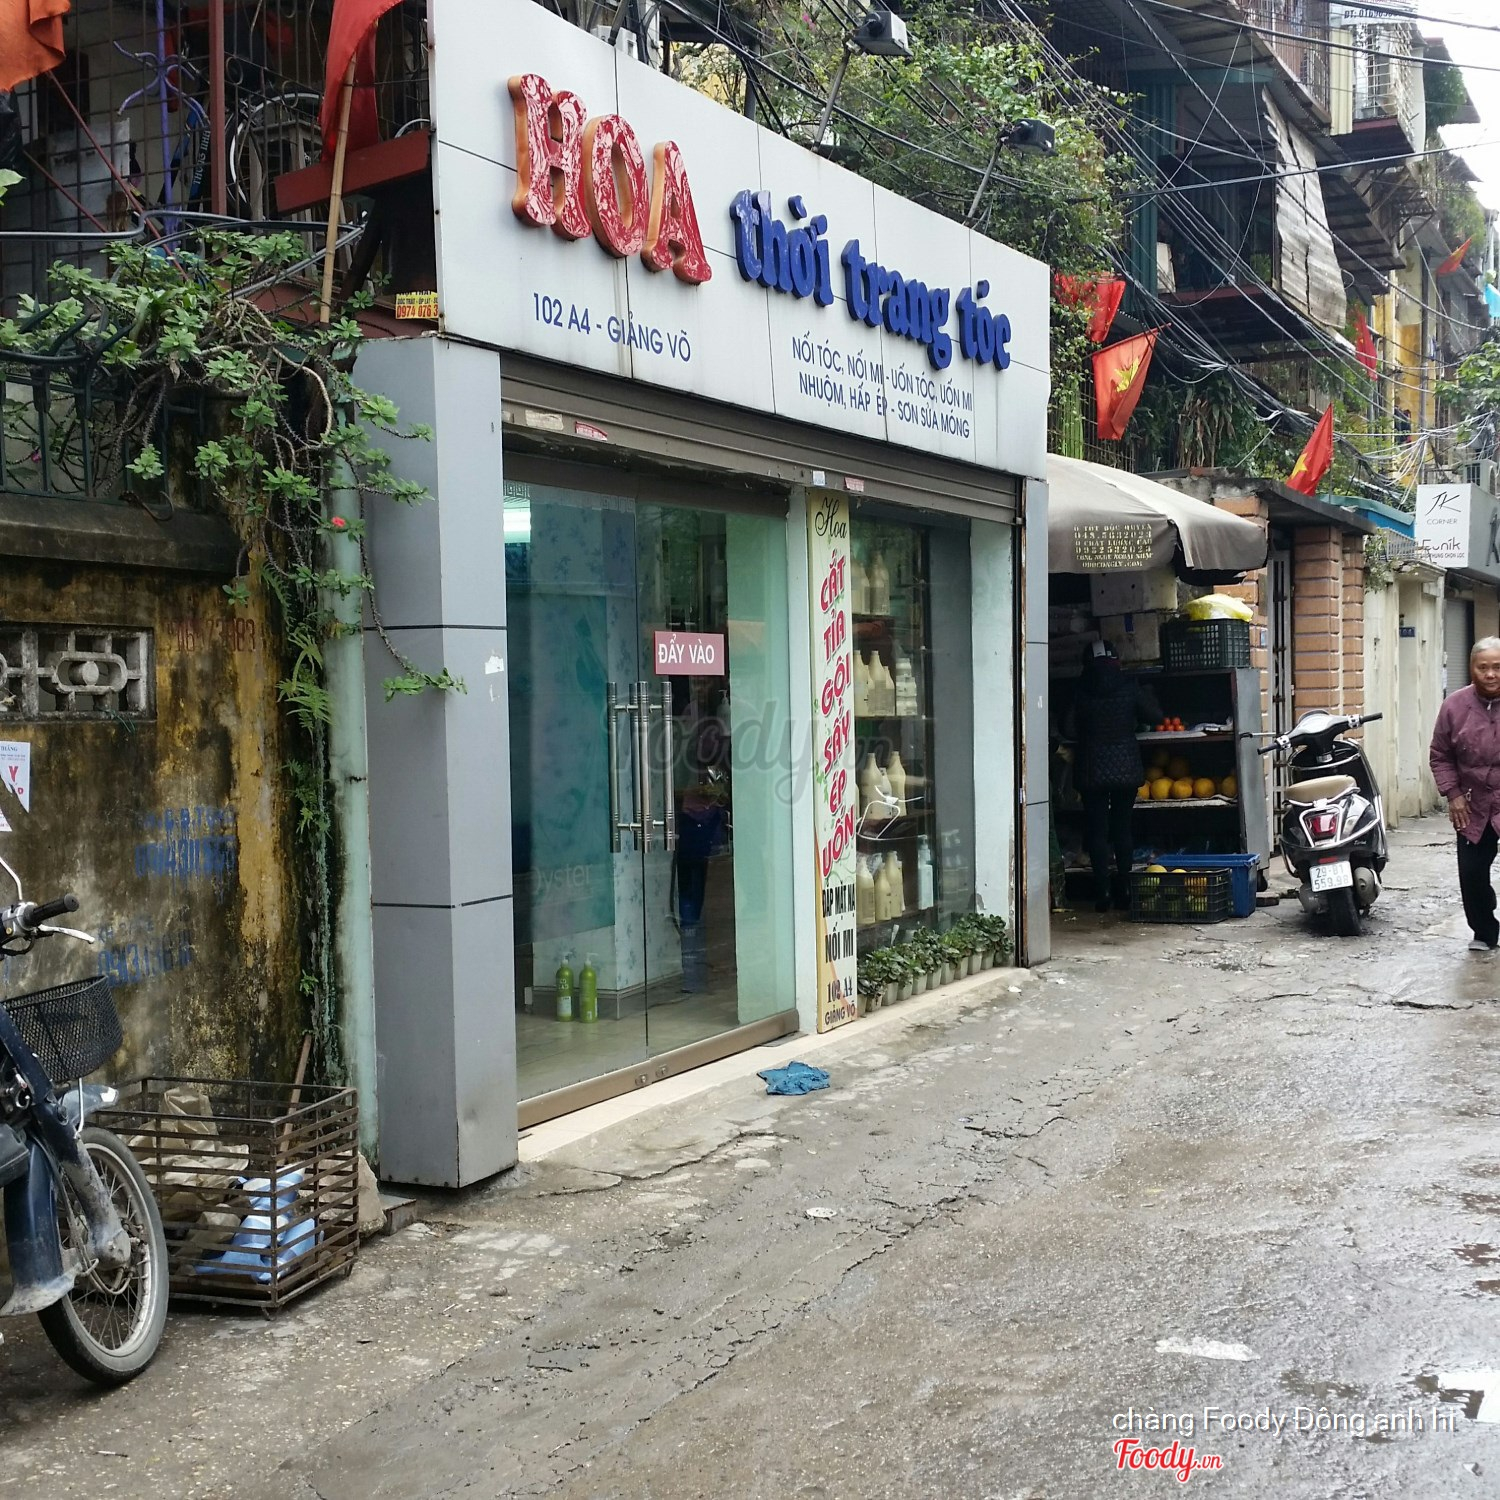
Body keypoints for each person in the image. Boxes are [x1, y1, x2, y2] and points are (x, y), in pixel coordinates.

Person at [1072, 642, 1160, 912]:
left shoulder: (1080, 689)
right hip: (1125, 767)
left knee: (1097, 831)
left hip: (1091, 769)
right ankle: (1125, 890)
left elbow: (1068, 727)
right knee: (1122, 828)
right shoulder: (1129, 686)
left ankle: (1103, 892)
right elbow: (1155, 715)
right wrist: (1147, 692)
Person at [1429, 637, 1500, 951]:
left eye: (1497, 667)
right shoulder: (1454, 706)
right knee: (1472, 873)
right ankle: (1484, 930)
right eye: (1483, 667)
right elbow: (1440, 755)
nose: (1490, 674)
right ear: (1472, 669)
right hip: (1472, 803)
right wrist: (1453, 794)